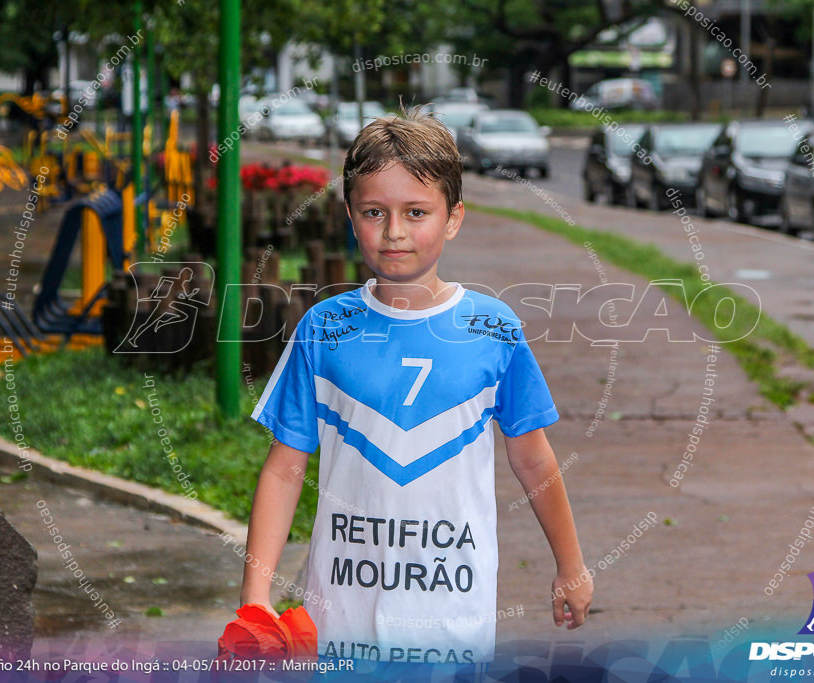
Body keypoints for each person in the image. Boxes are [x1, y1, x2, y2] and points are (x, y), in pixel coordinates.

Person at [240, 105, 592, 665]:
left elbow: (534, 459)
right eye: (374, 212)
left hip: (452, 623)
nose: (395, 231)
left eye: (416, 212)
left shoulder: (493, 329)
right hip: (339, 620)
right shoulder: (324, 329)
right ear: (350, 217)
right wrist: (255, 603)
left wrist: (571, 566)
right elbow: (285, 468)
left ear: (453, 218)